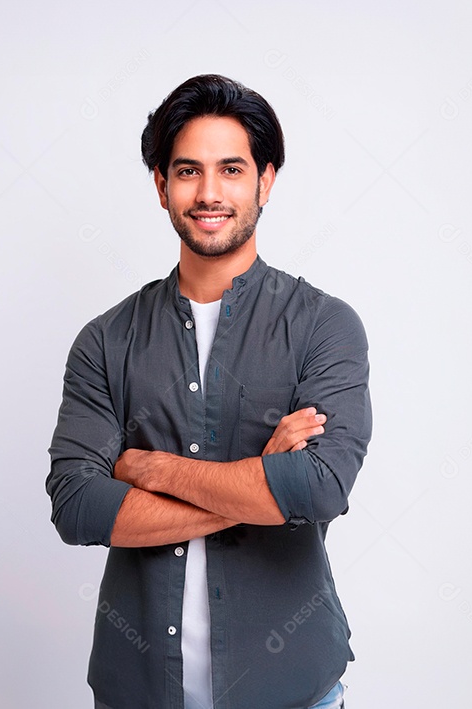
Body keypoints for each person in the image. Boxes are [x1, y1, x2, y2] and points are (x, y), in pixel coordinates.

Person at [47, 73, 372, 709]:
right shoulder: (105, 341)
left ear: (266, 180)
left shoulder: (324, 326)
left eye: (231, 168)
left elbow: (319, 488)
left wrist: (151, 469)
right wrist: (260, 487)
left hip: (294, 693)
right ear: (162, 186)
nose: (210, 192)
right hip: (136, 692)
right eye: (189, 171)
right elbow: (78, 506)